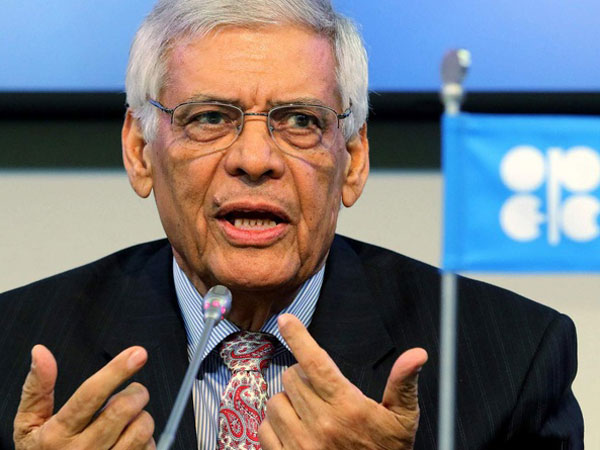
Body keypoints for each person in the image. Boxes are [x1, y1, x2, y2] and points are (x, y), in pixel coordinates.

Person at [0, 0, 583, 449]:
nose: (255, 159)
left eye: (300, 120)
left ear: (353, 161)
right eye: (210, 117)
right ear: (139, 152)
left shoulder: (510, 360)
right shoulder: (12, 352)